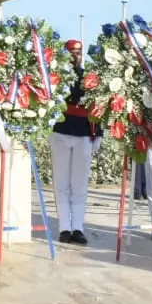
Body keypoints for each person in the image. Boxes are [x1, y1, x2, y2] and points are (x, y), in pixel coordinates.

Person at [50, 39, 101, 245]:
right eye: (71, 52)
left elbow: (98, 105)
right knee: (61, 183)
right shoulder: (56, 77)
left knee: (79, 185)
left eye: (78, 52)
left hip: (82, 132)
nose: (75, 55)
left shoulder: (89, 78)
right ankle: (64, 227)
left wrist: (98, 133)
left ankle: (78, 227)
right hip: (60, 131)